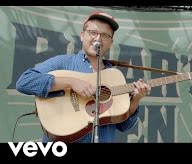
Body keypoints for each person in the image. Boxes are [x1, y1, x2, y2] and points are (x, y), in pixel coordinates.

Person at [16, 11, 151, 143]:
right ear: (82, 35)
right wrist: (71, 82)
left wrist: (135, 100)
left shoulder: (113, 76)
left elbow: (123, 126)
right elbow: (24, 82)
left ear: (111, 41)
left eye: (105, 35)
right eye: (93, 32)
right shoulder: (62, 62)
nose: (98, 38)